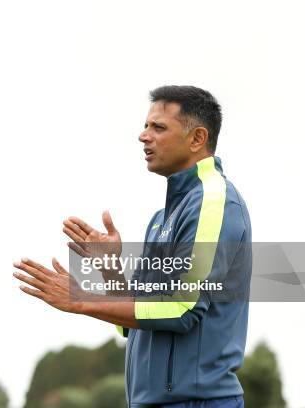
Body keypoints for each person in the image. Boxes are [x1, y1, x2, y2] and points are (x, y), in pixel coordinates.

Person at [14, 85, 251, 407]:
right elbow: (134, 321)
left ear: (197, 138)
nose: (143, 136)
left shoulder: (213, 203)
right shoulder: (161, 216)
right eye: (145, 126)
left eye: (158, 127)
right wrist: (110, 269)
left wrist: (81, 299)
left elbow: (181, 308)